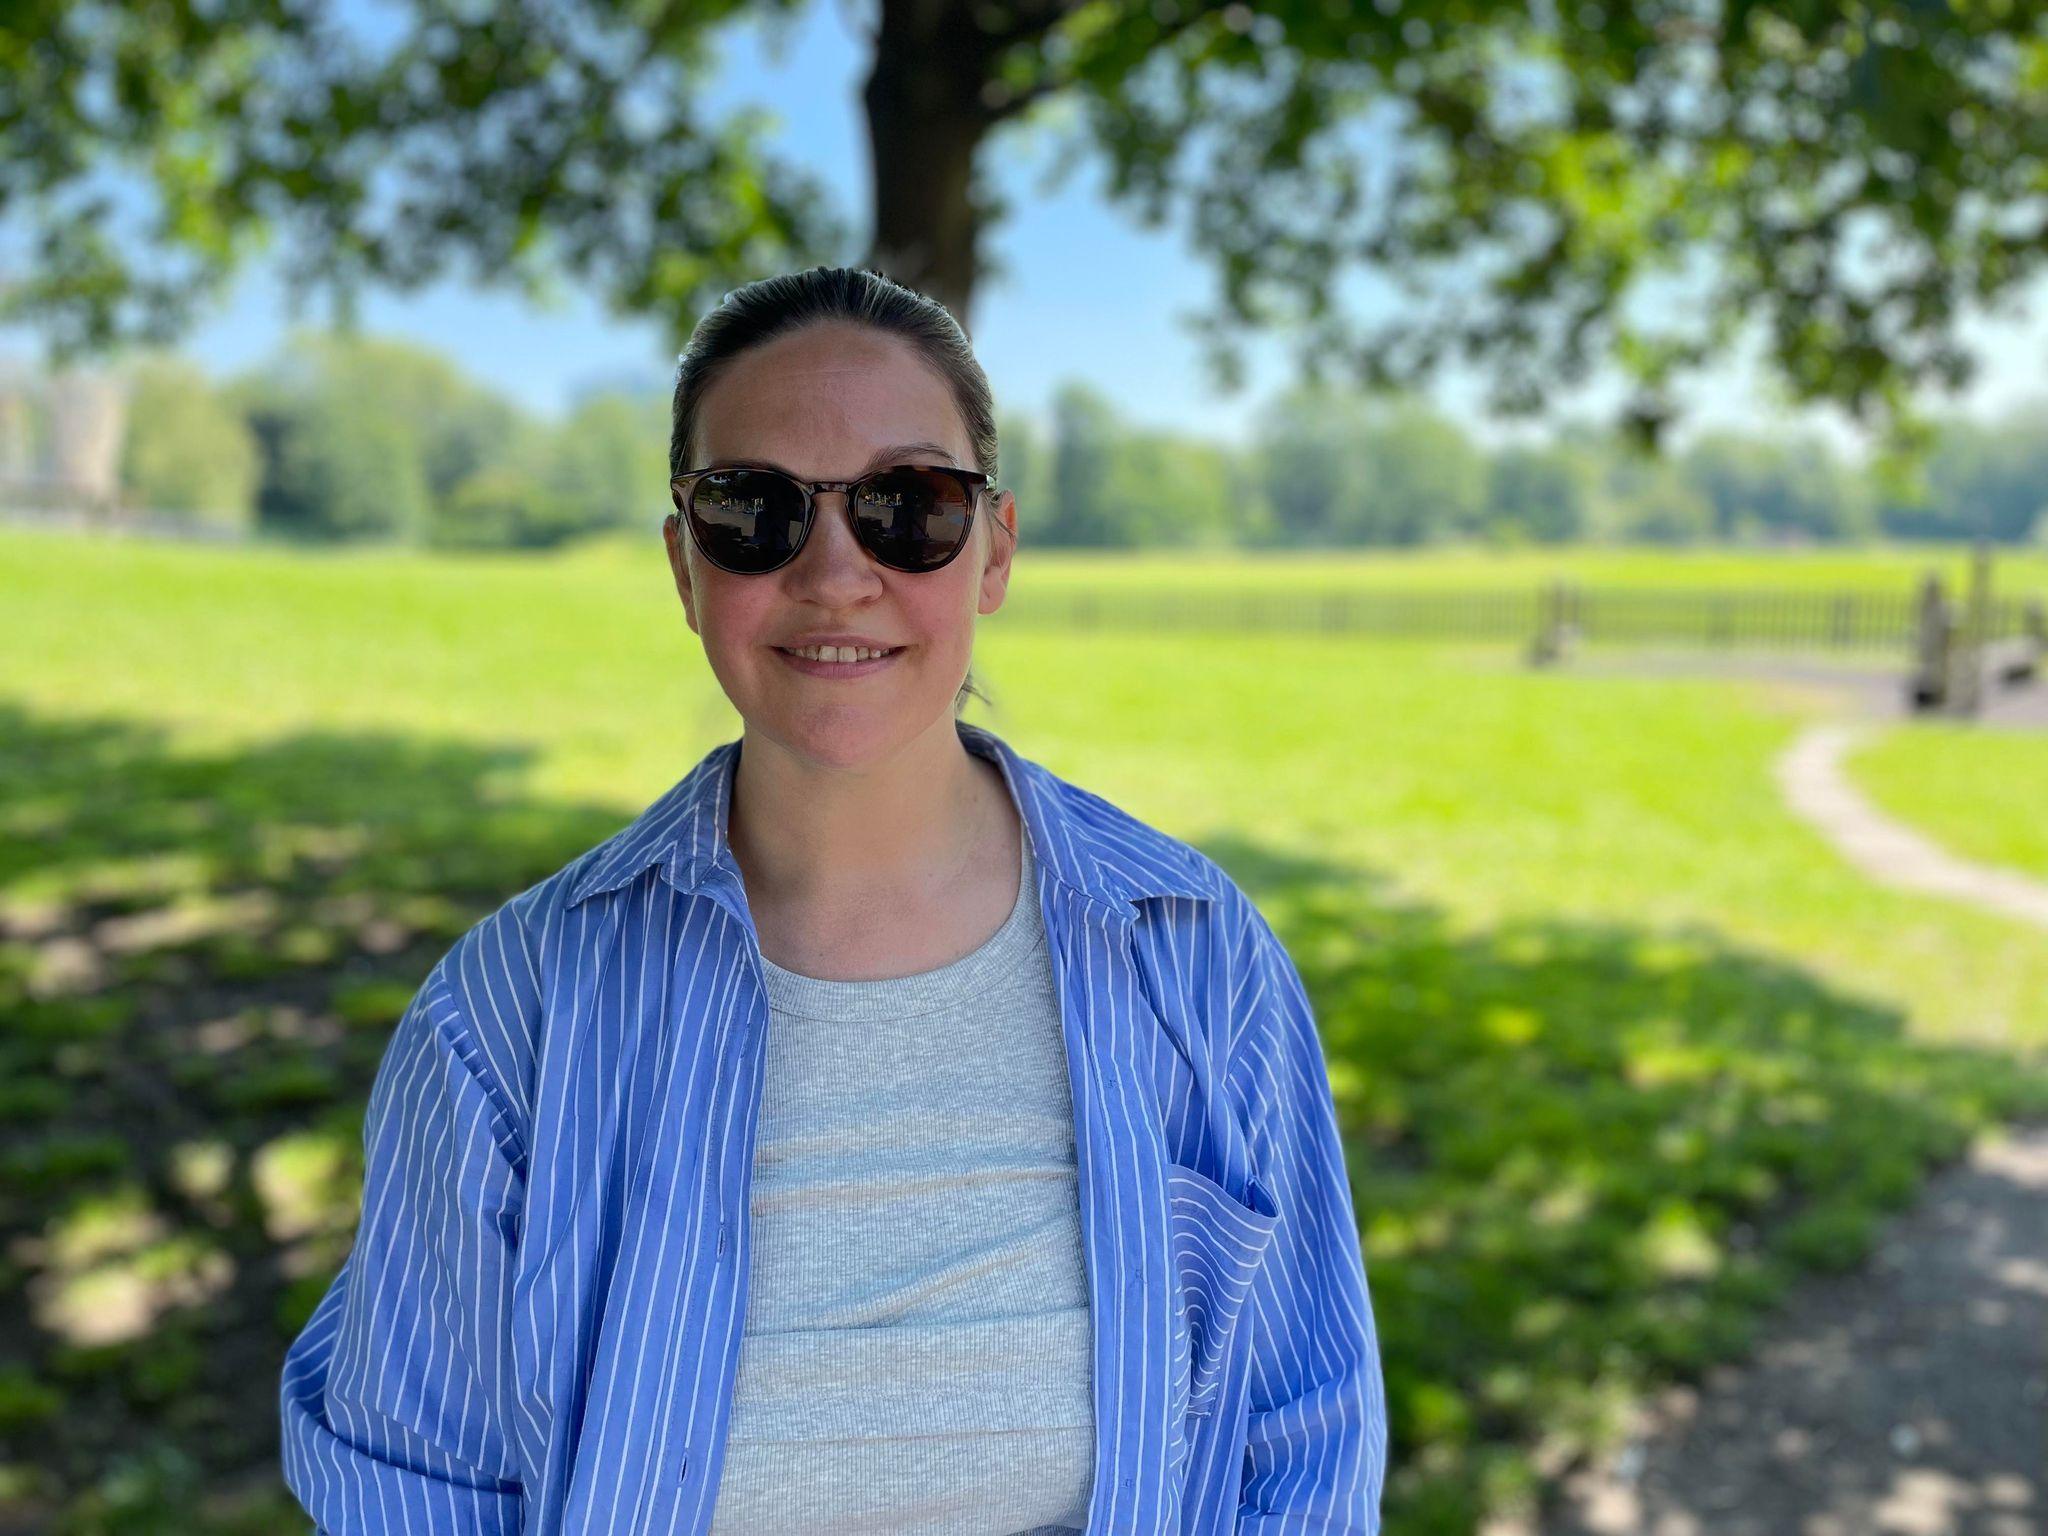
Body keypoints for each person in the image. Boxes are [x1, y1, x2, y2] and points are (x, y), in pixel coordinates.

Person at [278, 265, 1387, 1535]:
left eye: (905, 506)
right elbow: (407, 1494)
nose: (833, 571)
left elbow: (1304, 1445)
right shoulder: (506, 1021)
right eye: (752, 510)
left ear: (995, 552)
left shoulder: (1196, 959)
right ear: (685, 567)